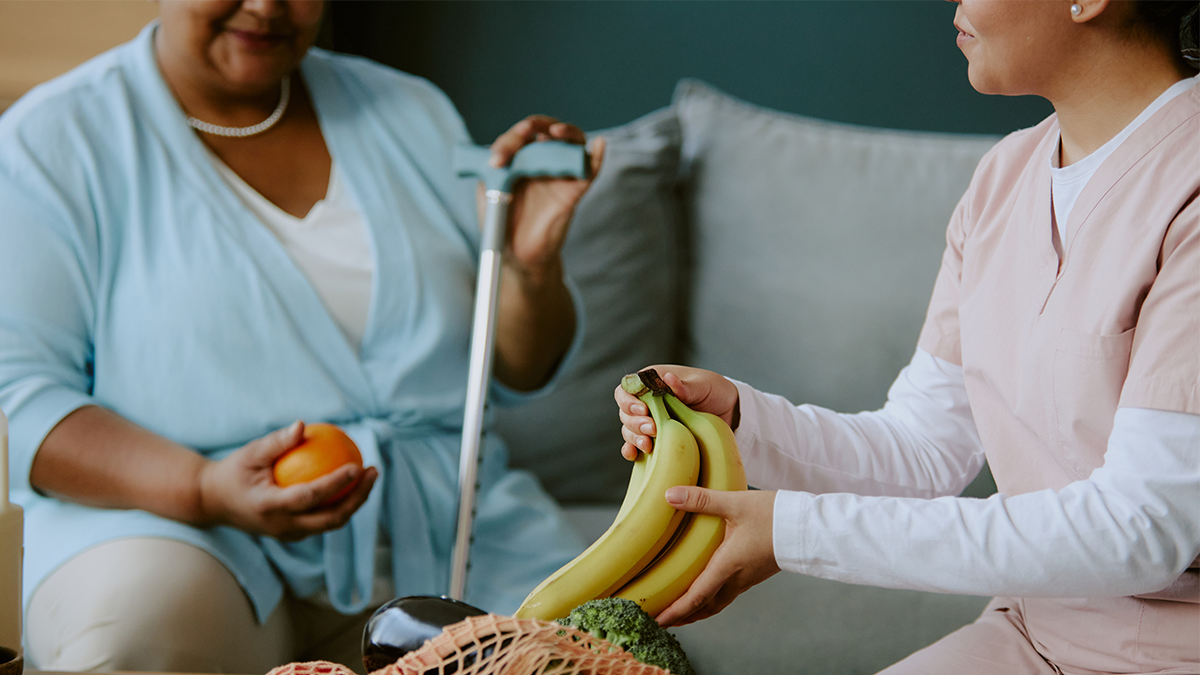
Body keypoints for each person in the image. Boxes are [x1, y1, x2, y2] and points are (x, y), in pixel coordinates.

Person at [0, 1, 605, 672]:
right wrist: (204, 487)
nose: (265, 5)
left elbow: (519, 369)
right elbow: (22, 402)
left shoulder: (410, 111)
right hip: (176, 524)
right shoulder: (52, 140)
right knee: (136, 631)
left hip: (450, 531)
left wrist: (524, 269)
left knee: (602, 652)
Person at [616, 0, 1199, 672]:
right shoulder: (1003, 179)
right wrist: (743, 419)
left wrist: (794, 530)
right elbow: (923, 449)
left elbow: (1143, 527)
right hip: (1035, 633)